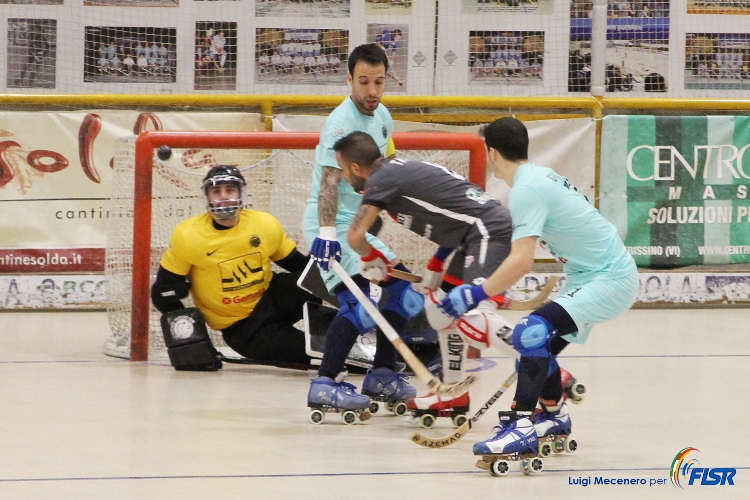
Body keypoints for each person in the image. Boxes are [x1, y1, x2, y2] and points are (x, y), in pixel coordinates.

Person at [437, 117, 638, 461]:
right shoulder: (537, 177)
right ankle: (555, 416)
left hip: (609, 277)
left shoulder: (526, 190)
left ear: (493, 153)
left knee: (531, 334)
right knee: (532, 349)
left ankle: (521, 426)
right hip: (589, 275)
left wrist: (474, 293)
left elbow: (521, 262)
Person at [331, 130, 514, 424]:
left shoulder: (381, 180)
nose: (342, 177)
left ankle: (539, 358)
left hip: (486, 232)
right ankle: (453, 391)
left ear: (355, 168)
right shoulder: (397, 170)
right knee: (442, 311)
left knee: (475, 316)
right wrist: (438, 261)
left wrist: (371, 259)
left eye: (342, 169)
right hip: (471, 235)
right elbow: (454, 213)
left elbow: (355, 236)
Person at [302, 43, 417, 417]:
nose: (372, 91)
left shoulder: (383, 115)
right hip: (332, 225)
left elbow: (385, 167)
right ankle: (325, 384)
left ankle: (382, 374)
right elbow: (329, 183)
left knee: (399, 287)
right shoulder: (339, 124)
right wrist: (327, 234)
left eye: (379, 82)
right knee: (360, 302)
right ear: (349, 79)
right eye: (364, 81)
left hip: (359, 225)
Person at [151, 165, 322, 371]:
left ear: (242, 193)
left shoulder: (264, 224)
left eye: (230, 190)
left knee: (322, 277)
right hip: (243, 329)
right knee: (327, 352)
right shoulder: (188, 236)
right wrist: (193, 342)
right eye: (216, 191)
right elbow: (162, 293)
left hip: (272, 299)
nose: (223, 197)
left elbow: (300, 267)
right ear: (207, 197)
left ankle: (359, 319)